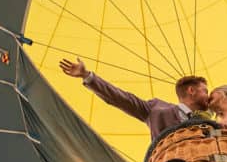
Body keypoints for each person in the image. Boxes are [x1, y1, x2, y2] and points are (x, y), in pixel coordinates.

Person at [58, 56, 210, 141]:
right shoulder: (156, 109)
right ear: (191, 90)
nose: (208, 96)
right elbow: (121, 98)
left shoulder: (212, 123)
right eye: (205, 91)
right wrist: (87, 76)